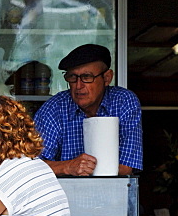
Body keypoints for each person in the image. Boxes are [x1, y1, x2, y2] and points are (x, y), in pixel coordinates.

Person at [33, 43, 143, 176]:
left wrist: (86, 169)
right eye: (73, 77)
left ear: (107, 78)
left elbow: (126, 167)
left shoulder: (123, 102)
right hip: (63, 194)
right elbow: (31, 166)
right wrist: (67, 166)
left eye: (87, 77)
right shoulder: (55, 108)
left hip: (112, 193)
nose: (79, 86)